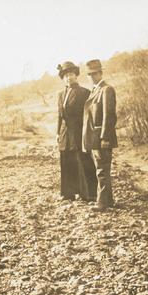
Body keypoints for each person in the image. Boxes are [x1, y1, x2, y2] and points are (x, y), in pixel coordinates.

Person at [56, 61, 97, 201]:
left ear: (76, 75)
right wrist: (57, 133)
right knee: (66, 160)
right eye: (66, 75)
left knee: (82, 160)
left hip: (79, 132)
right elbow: (59, 116)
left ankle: (89, 193)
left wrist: (88, 133)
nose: (69, 77)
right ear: (63, 77)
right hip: (64, 133)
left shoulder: (84, 92)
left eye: (71, 74)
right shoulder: (60, 94)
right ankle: (68, 193)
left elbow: (88, 115)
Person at [82, 59, 118, 211]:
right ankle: (108, 201)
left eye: (94, 73)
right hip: (94, 138)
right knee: (101, 169)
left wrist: (105, 137)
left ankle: (102, 203)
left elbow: (109, 116)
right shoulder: (95, 90)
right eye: (89, 74)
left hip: (101, 138)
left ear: (100, 73)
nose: (91, 77)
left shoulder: (106, 89)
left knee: (102, 171)